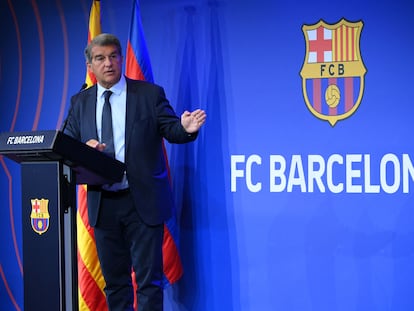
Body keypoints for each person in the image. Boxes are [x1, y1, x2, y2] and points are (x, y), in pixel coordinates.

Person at [63, 33, 206, 311]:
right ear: (90, 65)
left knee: (149, 284)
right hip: (103, 204)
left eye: (114, 56)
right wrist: (84, 147)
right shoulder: (80, 102)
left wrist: (186, 128)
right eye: (100, 58)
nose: (109, 64)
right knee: (115, 285)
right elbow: (66, 143)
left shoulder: (149, 94)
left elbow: (171, 129)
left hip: (143, 202)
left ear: (121, 59)